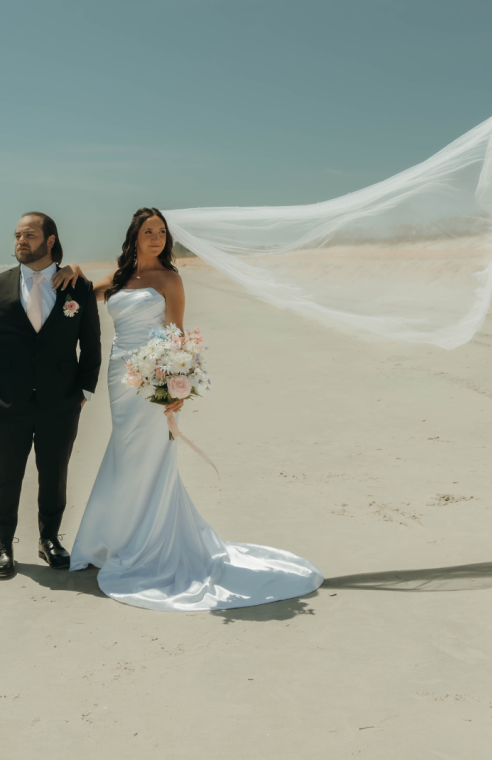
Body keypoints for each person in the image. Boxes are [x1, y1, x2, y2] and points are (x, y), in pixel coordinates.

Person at [55, 207, 323, 612]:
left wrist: (176, 385)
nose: (157, 237)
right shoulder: (120, 277)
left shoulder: (170, 279)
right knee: (126, 456)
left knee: (152, 457)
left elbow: (176, 334)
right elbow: (82, 294)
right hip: (118, 376)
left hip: (151, 378)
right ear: (134, 236)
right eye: (149, 231)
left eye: (162, 231)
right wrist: (72, 267)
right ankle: (120, 538)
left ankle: (149, 544)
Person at [0, 212, 101, 580]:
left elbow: (91, 344)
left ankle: (49, 540)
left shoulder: (77, 288)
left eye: (28, 235)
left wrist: (84, 392)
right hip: (6, 402)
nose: (20, 241)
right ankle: (3, 545)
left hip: (61, 402)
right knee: (6, 475)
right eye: (16, 235)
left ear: (50, 240)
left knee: (54, 475)